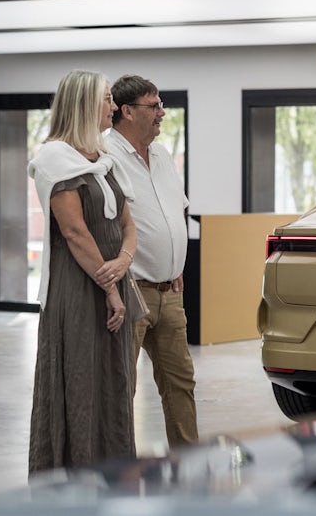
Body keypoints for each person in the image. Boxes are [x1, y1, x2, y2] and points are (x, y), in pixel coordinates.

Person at [26, 69, 140, 473]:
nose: (113, 107)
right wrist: (111, 288)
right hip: (78, 288)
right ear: (83, 103)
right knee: (79, 379)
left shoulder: (103, 160)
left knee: (114, 383)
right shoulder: (54, 157)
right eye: (107, 99)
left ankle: (112, 473)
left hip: (113, 281)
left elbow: (127, 223)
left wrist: (125, 261)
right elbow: (74, 232)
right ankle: (72, 477)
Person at [107, 74, 198, 447]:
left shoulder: (161, 155)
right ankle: (119, 468)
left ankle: (190, 463)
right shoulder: (106, 157)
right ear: (127, 111)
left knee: (181, 383)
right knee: (121, 387)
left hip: (169, 291)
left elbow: (175, 212)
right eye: (153, 106)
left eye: (162, 105)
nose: (162, 113)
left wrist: (175, 266)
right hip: (131, 293)